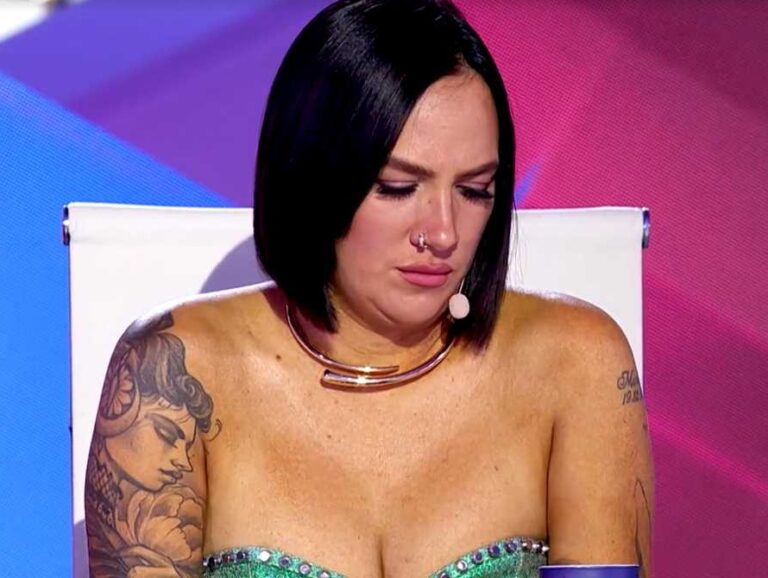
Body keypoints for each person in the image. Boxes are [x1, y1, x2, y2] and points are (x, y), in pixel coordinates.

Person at [85, 0, 654, 577]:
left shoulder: (575, 363)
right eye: (398, 187)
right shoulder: (173, 373)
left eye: (475, 191)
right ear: (312, 180)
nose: (443, 233)